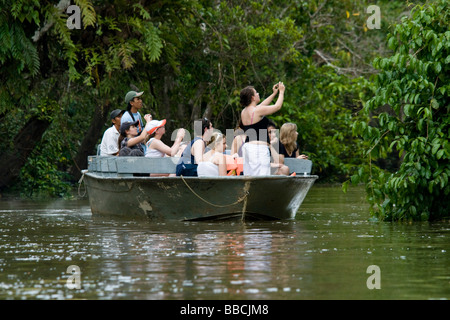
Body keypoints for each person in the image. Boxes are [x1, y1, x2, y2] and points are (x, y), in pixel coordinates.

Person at [240, 82, 285, 176]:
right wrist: (281, 92)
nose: (258, 94)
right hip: (258, 149)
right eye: (256, 93)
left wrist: (274, 94)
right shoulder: (257, 111)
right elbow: (277, 106)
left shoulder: (244, 111)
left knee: (249, 178)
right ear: (252, 97)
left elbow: (262, 105)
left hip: (248, 147)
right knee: (262, 178)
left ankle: (247, 192)